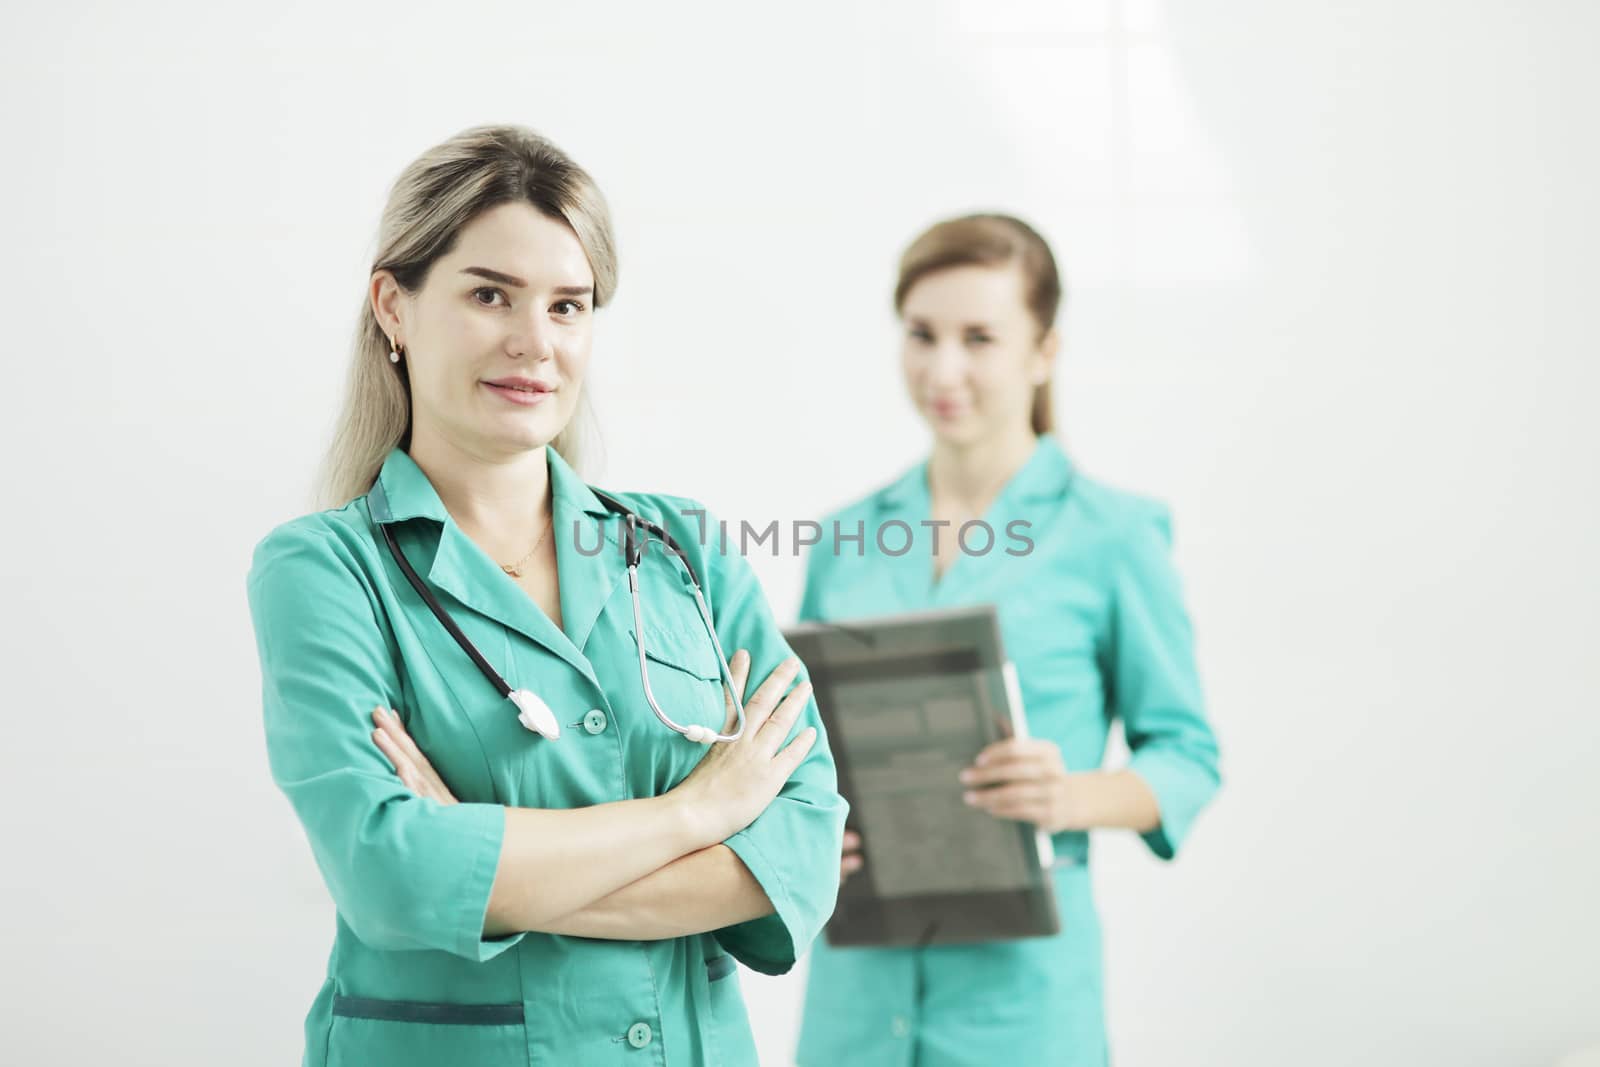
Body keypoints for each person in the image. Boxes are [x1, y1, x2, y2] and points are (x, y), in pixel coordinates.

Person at [244, 124, 846, 1067]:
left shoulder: (682, 548)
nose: (535, 343)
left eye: (569, 306)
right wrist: (696, 815)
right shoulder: (324, 570)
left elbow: (803, 849)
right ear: (392, 307)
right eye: (491, 295)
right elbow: (389, 874)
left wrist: (487, 867)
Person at [793, 214, 1222, 1066]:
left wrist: (1070, 797)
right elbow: (799, 746)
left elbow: (1188, 755)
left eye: (979, 338)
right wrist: (800, 822)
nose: (942, 369)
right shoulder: (846, 538)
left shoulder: (1112, 535)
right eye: (922, 334)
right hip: (854, 1007)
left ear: (1043, 351)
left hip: (1021, 1012)